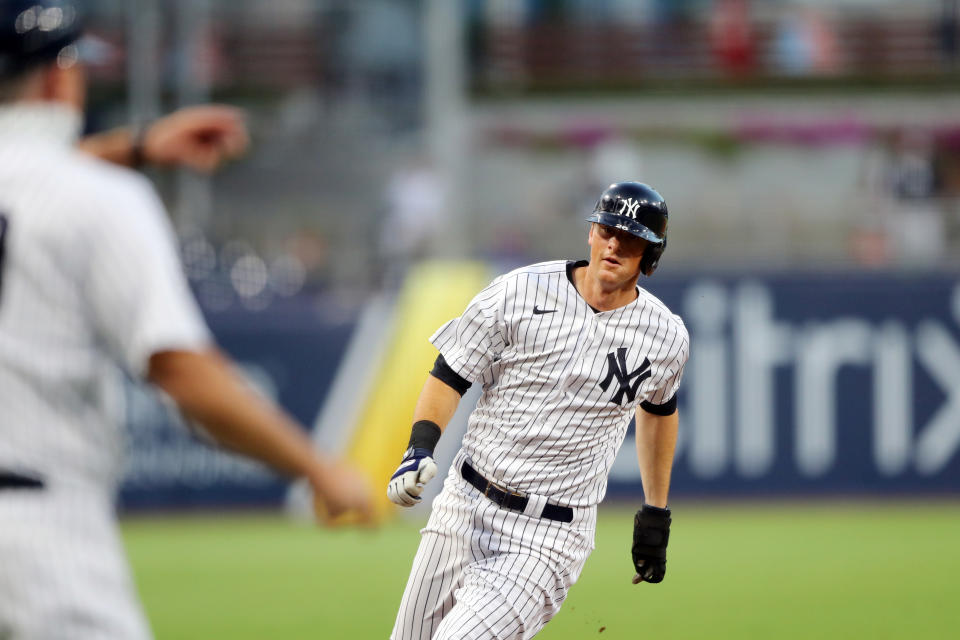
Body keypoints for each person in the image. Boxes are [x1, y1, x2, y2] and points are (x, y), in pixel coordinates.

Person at [0, 1, 372, 638]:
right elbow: (182, 371)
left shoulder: (71, 184)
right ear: (63, 78)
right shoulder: (101, 199)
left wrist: (138, 145)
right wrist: (319, 468)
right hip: (38, 538)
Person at [387, 181, 690, 639]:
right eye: (608, 229)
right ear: (591, 232)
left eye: (631, 237)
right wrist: (419, 447)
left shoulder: (665, 336)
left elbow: (659, 411)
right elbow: (450, 373)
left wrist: (655, 512)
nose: (614, 243)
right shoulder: (518, 290)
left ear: (651, 254)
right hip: (462, 507)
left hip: (548, 535)